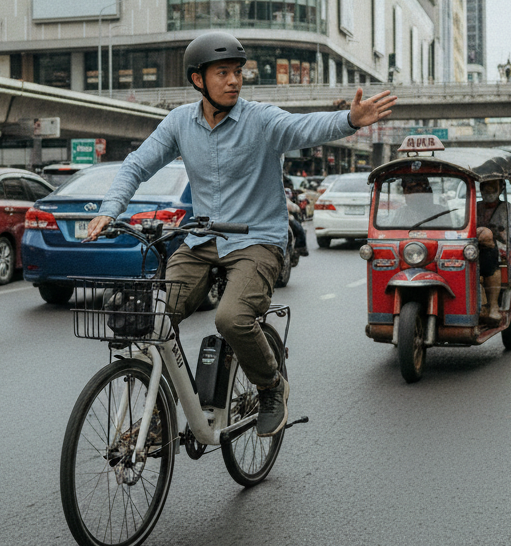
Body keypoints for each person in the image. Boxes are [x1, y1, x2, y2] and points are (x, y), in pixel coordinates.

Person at [85, 31, 396, 437]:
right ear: (198, 80)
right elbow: (135, 166)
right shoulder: (180, 122)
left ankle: (271, 386)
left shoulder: (260, 120)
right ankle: (159, 411)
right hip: (200, 241)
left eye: (237, 72)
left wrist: (350, 120)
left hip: (257, 240)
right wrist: (110, 211)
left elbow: (302, 129)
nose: (234, 81)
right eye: (223, 73)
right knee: (153, 319)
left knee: (231, 318)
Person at [475, 178, 511, 322]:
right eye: (485, 186)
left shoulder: (506, 208)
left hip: (499, 247)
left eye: (492, 186)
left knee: (491, 255)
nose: (488, 189)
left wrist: (495, 234)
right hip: (477, 246)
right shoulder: (476, 206)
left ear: (501, 188)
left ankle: (493, 306)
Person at [380, 172, 453, 229]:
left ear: (429, 192)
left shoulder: (441, 212)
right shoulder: (401, 213)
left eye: (418, 190)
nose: (413, 195)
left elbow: (449, 237)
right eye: (409, 191)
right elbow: (390, 235)